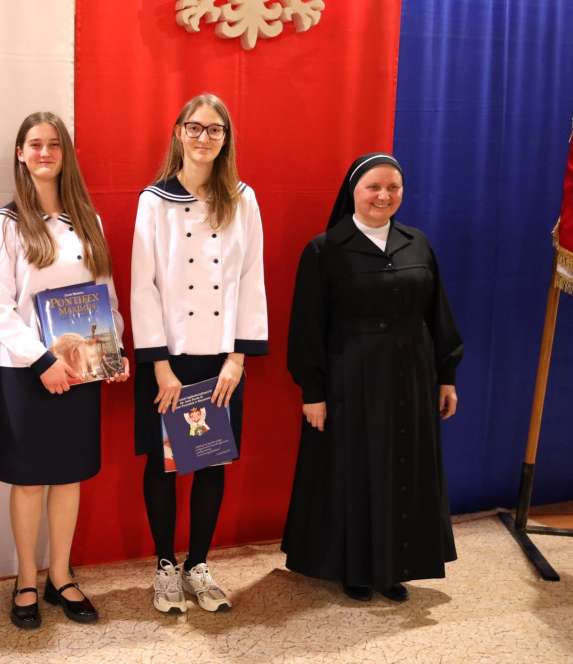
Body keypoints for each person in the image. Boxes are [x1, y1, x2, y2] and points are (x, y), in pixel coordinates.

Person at [281, 153, 463, 603]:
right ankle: (356, 570)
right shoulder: (325, 249)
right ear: (353, 192)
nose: (384, 196)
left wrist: (446, 376)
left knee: (402, 465)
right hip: (351, 379)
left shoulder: (417, 243)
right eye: (374, 187)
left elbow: (438, 314)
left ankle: (394, 568)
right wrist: (313, 391)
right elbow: (306, 328)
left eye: (393, 187)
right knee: (356, 470)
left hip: (412, 377)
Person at [0, 111, 129, 629]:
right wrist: (44, 361)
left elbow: (106, 298)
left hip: (81, 369)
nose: (44, 153)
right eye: (34, 144)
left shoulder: (88, 220)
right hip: (28, 371)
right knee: (29, 481)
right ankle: (26, 577)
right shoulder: (4, 224)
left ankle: (61, 575)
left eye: (54, 144)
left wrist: (112, 352)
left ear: (65, 154)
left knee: (68, 478)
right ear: (20, 154)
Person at [130, 93, 268, 614]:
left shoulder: (243, 199)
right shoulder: (154, 200)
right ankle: (166, 566)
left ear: (225, 138)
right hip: (169, 358)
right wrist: (160, 366)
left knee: (211, 461)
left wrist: (238, 359)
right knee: (163, 465)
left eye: (214, 129)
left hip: (221, 359)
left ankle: (199, 564)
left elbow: (252, 279)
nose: (204, 137)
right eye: (195, 127)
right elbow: (143, 286)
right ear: (179, 132)